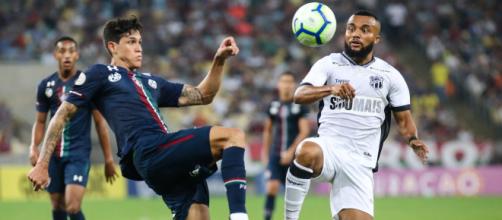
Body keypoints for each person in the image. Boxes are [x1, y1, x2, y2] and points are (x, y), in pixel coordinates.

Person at [28, 17, 248, 220]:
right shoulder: (99, 74)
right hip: (149, 149)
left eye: (140, 42)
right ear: (112, 47)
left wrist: (219, 61)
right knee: (232, 136)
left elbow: (203, 95)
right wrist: (42, 164)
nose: (139, 47)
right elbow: (61, 114)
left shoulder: (152, 82)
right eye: (131, 42)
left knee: (198, 214)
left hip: (163, 161)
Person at [283, 11, 429, 220]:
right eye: (351, 29)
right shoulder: (329, 64)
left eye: (364, 30)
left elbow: (404, 121)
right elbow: (299, 94)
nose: (355, 34)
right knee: (306, 151)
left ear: (376, 38)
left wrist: (413, 139)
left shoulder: (391, 76)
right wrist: (331, 89)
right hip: (329, 148)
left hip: (360, 162)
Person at [28, 36, 117, 220]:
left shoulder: (87, 83)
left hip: (78, 154)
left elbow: (100, 123)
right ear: (55, 55)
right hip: (52, 156)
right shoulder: (46, 86)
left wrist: (108, 159)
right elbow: (41, 121)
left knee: (73, 206)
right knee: (57, 205)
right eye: (62, 51)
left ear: (77, 55)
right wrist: (33, 147)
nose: (67, 55)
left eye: (71, 51)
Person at [261, 72, 310, 220]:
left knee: (292, 192)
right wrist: (265, 153)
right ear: (278, 84)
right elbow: (268, 130)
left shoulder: (299, 106)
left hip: (294, 156)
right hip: (276, 153)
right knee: (272, 187)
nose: (286, 85)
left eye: (289, 81)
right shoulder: (273, 106)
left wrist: (291, 151)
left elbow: (304, 131)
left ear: (294, 85)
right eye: (283, 81)